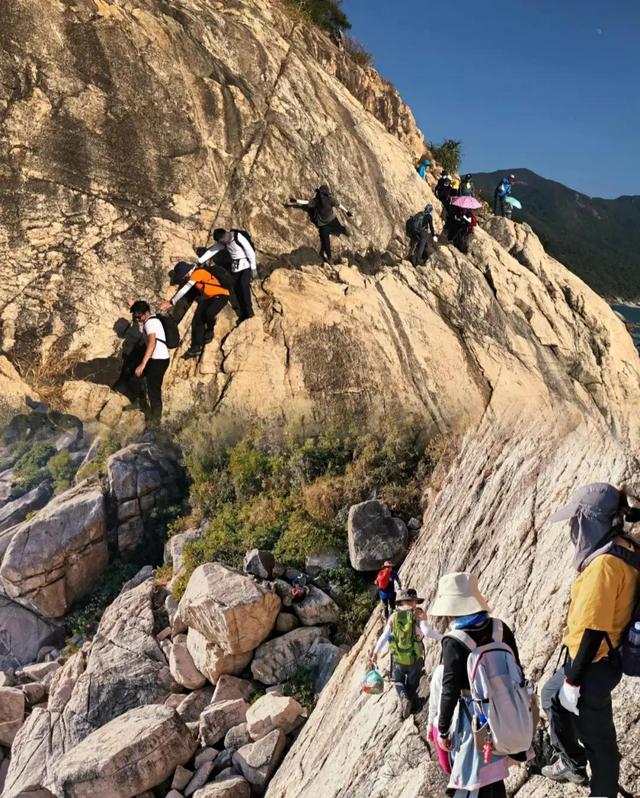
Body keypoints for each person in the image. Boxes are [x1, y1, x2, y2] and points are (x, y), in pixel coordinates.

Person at [541, 483, 640, 797]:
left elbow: (593, 629)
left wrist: (574, 681)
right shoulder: (625, 547)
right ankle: (571, 761)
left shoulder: (605, 566)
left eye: (578, 519)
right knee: (550, 696)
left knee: (600, 746)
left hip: (593, 665)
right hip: (589, 659)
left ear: (592, 520)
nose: (574, 526)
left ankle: (602, 791)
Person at [431, 572, 523, 798]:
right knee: (496, 775)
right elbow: (517, 669)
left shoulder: (455, 641)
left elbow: (450, 690)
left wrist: (442, 729)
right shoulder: (500, 628)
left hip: (474, 720)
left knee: (473, 780)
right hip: (506, 712)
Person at [369, 588, 442, 719]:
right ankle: (412, 702)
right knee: (413, 683)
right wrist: (443, 637)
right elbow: (427, 632)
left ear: (401, 602)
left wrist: (375, 652)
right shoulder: (418, 614)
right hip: (415, 657)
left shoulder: (394, 616)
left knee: (398, 681)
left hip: (398, 657)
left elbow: (385, 636)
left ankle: (404, 699)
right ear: (414, 601)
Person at [161, 262, 230, 359]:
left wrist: (172, 302)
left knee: (209, 313)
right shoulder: (194, 276)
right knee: (198, 319)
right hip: (208, 297)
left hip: (222, 295)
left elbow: (185, 289)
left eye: (183, 275)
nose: (183, 277)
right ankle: (196, 347)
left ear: (187, 272)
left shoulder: (198, 273)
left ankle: (210, 330)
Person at [197, 229, 256, 322]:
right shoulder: (223, 242)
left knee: (244, 286)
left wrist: (253, 268)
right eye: (221, 241)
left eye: (223, 240)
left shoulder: (237, 237)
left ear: (225, 234)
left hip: (246, 265)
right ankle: (242, 313)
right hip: (235, 268)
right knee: (234, 290)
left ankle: (249, 312)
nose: (224, 242)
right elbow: (212, 250)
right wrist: (200, 261)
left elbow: (250, 251)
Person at [128, 301, 171, 425]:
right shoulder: (150, 319)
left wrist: (143, 364)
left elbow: (152, 343)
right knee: (137, 376)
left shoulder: (150, 323)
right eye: (135, 316)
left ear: (146, 313)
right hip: (157, 359)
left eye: (139, 315)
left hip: (158, 361)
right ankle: (140, 402)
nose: (137, 318)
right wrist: (132, 305)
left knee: (154, 391)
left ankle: (155, 422)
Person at [286, 185, 352, 264]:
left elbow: (339, 204)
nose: (320, 195)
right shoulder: (318, 201)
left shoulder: (325, 200)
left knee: (337, 230)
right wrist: (296, 201)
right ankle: (329, 257)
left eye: (320, 193)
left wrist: (347, 211)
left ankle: (344, 231)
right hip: (325, 223)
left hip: (330, 220)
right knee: (326, 240)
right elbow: (306, 202)